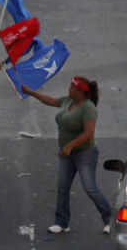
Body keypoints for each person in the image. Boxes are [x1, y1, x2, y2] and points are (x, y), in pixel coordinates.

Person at [21, 77, 111, 234]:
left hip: (85, 153)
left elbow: (88, 133)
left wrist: (70, 145)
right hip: (66, 153)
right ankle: (62, 222)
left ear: (80, 92)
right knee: (62, 187)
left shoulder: (88, 108)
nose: (68, 89)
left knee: (90, 187)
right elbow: (50, 100)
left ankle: (109, 218)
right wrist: (30, 92)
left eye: (72, 87)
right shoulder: (68, 101)